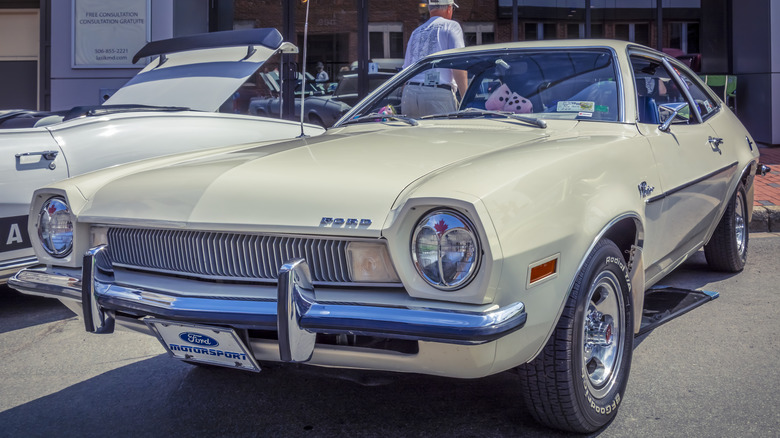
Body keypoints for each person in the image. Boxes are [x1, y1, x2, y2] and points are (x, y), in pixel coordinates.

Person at [401, 0, 468, 118]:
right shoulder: (451, 26)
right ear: (449, 8)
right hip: (437, 93)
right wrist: (466, 99)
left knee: (413, 136)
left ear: (430, 9)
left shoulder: (416, 32)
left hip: (410, 92)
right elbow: (458, 65)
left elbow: (406, 71)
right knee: (442, 136)